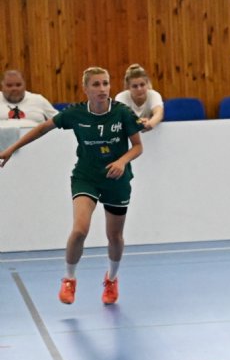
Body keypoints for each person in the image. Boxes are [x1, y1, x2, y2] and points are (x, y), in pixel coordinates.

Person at [0, 67, 142, 305]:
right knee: (80, 230)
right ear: (85, 89)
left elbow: (138, 146)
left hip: (116, 179)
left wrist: (121, 161)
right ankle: (69, 279)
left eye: (105, 83)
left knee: (114, 236)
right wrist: (11, 148)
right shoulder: (76, 113)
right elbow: (42, 128)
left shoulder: (122, 113)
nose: (102, 89)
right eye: (96, 84)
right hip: (86, 177)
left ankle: (111, 279)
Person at [114, 64, 165, 132]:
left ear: (147, 84)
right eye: (135, 86)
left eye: (142, 85)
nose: (139, 89)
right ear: (128, 87)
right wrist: (139, 122)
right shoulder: (121, 97)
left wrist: (150, 123)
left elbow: (159, 114)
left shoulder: (154, 95)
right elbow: (122, 118)